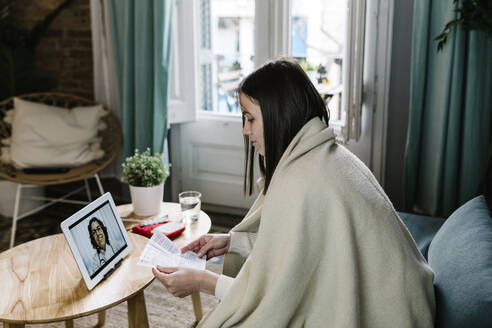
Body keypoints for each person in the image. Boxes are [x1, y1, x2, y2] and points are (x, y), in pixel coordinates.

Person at [152, 57, 436, 327]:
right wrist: (234, 242)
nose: (244, 130)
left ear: (279, 117)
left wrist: (202, 281)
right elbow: (301, 249)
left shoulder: (303, 180)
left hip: (391, 315)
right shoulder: (324, 153)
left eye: (250, 119)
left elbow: (274, 298)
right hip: (406, 300)